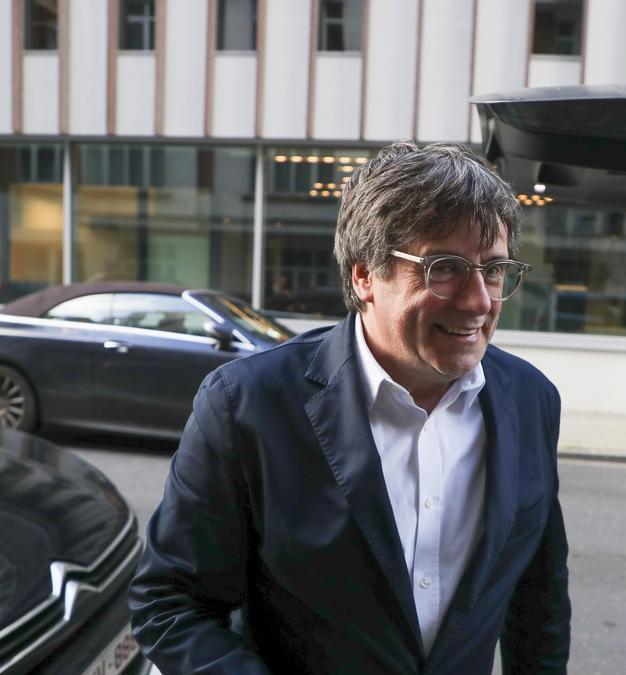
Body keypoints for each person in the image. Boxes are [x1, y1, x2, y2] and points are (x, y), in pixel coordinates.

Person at [129, 141, 571, 674]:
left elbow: (537, 602)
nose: (478, 300)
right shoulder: (246, 404)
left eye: (494, 270)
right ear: (365, 275)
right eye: (445, 268)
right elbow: (173, 604)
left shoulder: (531, 399)